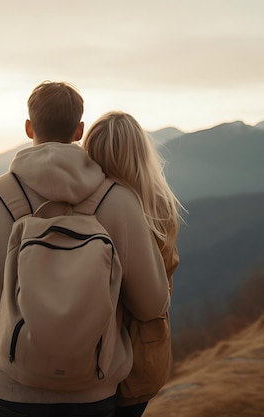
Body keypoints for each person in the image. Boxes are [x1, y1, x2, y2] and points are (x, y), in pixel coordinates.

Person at [0, 81, 170, 417]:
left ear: (29, 128)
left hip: (5, 392)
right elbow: (151, 303)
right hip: (93, 393)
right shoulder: (119, 202)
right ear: (79, 130)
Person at [82, 111, 184, 417]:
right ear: (141, 153)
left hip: (86, 357)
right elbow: (156, 299)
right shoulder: (159, 207)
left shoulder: (80, 206)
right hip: (141, 360)